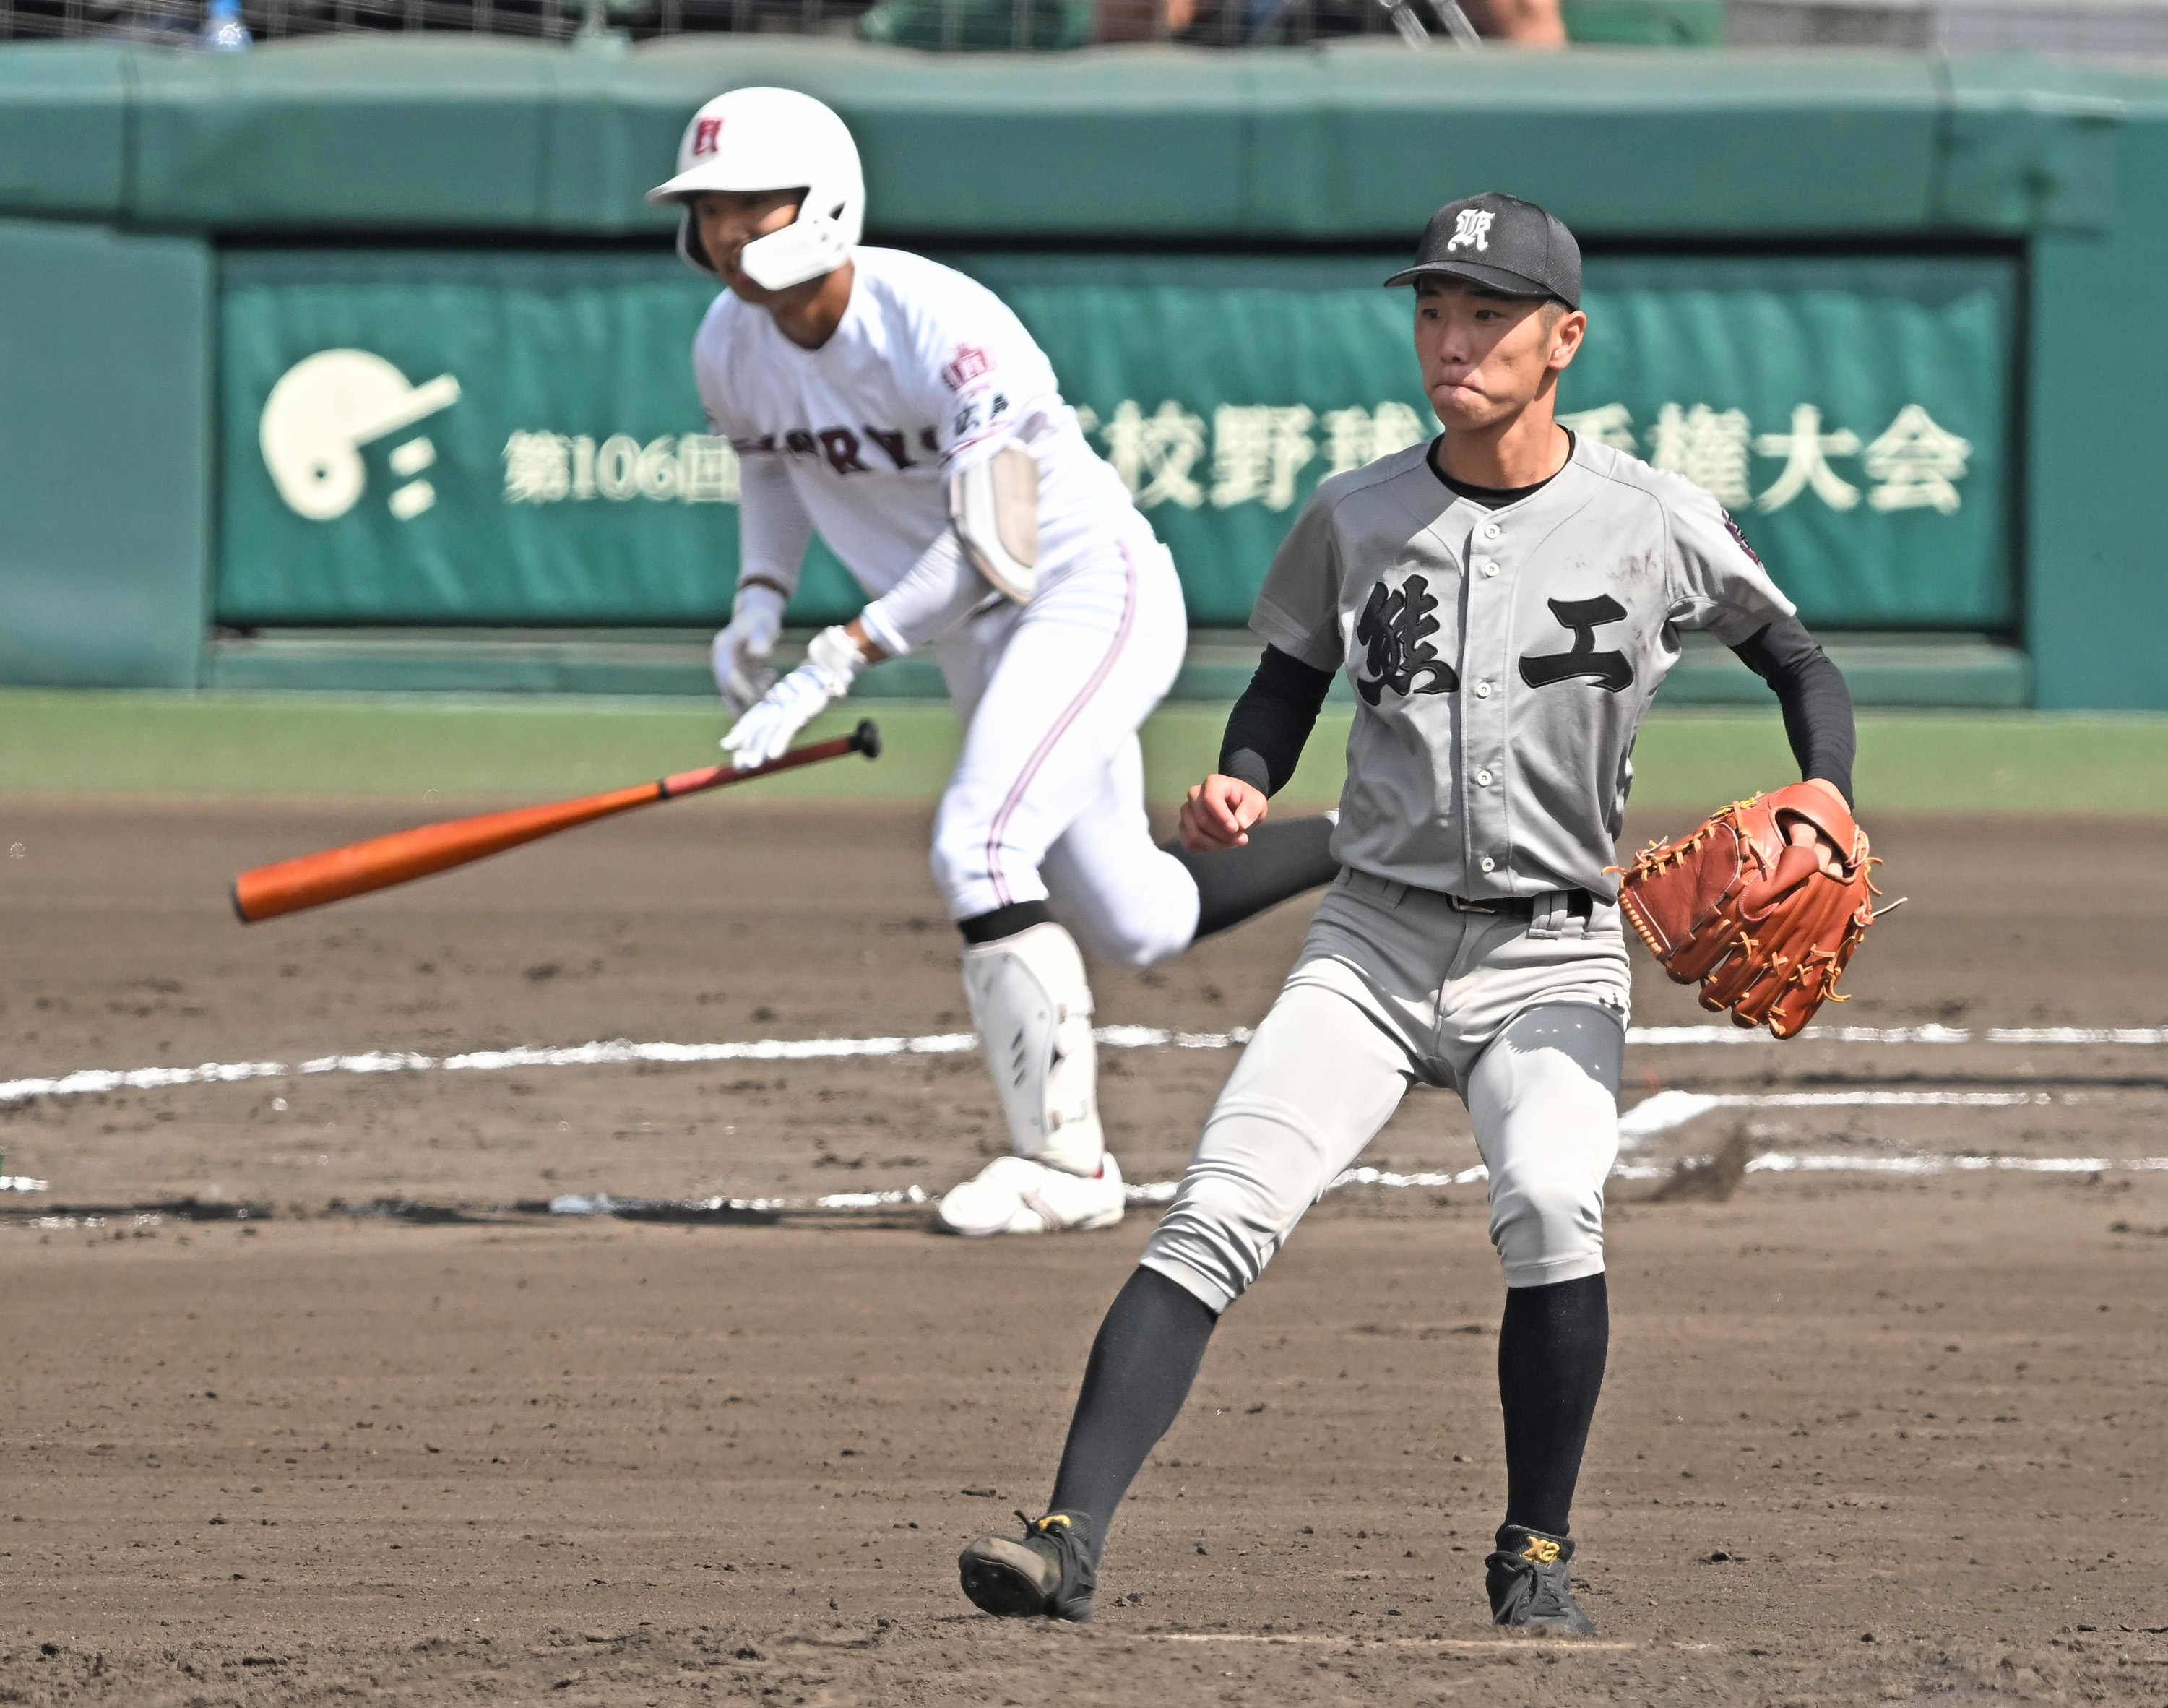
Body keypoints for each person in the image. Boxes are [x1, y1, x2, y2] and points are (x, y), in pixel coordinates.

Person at [954, 193, 1858, 1632]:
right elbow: (1287, 681)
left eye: (1486, 316)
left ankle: (1535, 1556)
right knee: (1215, 1213)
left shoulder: (1651, 519)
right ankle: (1063, 1539)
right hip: (1369, 940)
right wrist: (1244, 781)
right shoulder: (1358, 511)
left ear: (1561, 340)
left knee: (1553, 1202)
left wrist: (1827, 796)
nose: (1452, 339)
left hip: (1552, 945)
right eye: (1433, 311)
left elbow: (1799, 662)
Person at [649, 87, 1339, 1234]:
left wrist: (835, 659)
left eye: (748, 207)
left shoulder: (943, 322)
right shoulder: (728, 342)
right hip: (977, 632)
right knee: (1136, 921)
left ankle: (1067, 1171)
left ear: (822, 205)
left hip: (1085, 592)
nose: (724, 233)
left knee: (979, 843)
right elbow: (771, 467)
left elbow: (987, 550)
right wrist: (755, 602)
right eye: (707, 209)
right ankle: (1370, 828)